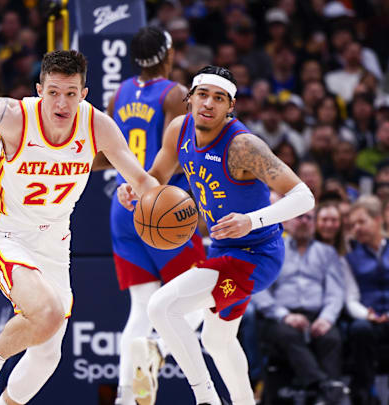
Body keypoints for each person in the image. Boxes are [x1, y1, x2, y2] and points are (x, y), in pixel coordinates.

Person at [0, 49, 161, 405]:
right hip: (6, 233)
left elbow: (143, 181)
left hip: (55, 243)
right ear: (40, 89)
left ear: (84, 94)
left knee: (48, 354)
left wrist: (153, 201)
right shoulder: (14, 117)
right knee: (48, 313)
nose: (62, 102)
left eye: (71, 93)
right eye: (53, 91)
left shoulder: (99, 125)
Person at [118, 65, 315, 405]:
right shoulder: (178, 130)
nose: (209, 103)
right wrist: (135, 189)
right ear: (189, 99)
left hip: (256, 255)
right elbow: (157, 176)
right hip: (223, 250)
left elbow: (304, 196)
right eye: (203, 95)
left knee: (162, 306)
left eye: (219, 98)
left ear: (230, 107)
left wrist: (251, 221)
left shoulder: (243, 146)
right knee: (217, 340)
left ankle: (205, 398)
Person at [92, 27, 206, 405]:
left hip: (123, 207)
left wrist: (71, 166)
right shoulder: (175, 94)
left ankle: (127, 397)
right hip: (163, 203)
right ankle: (157, 350)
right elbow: (178, 155)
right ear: (168, 54)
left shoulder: (118, 93)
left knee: (140, 308)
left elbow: (107, 155)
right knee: (204, 298)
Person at [253, 209, 346, 403]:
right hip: (281, 317)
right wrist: (284, 315)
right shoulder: (274, 250)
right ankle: (326, 387)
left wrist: (326, 318)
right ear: (287, 221)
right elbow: (259, 289)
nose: (303, 221)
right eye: (298, 217)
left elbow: (335, 291)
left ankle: (324, 397)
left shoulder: (327, 252)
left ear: (314, 224)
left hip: (317, 316)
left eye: (308, 217)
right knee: (287, 334)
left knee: (331, 338)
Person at [344, 196, 389, 405]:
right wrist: (367, 314)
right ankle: (366, 391)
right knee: (359, 328)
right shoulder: (350, 256)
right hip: (369, 317)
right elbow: (351, 297)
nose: (357, 228)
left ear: (378, 219)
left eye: (361, 222)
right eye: (353, 225)